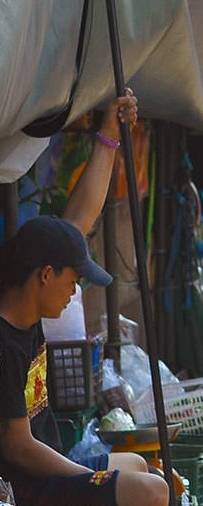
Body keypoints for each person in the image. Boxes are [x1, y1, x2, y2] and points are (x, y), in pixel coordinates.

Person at [0, 93, 168, 506]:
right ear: (44, 275)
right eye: (72, 279)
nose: (75, 291)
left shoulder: (30, 303)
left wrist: (109, 136)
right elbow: (17, 449)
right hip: (24, 487)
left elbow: (77, 224)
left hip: (47, 464)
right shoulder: (4, 344)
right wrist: (92, 476)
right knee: (151, 490)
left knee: (140, 467)